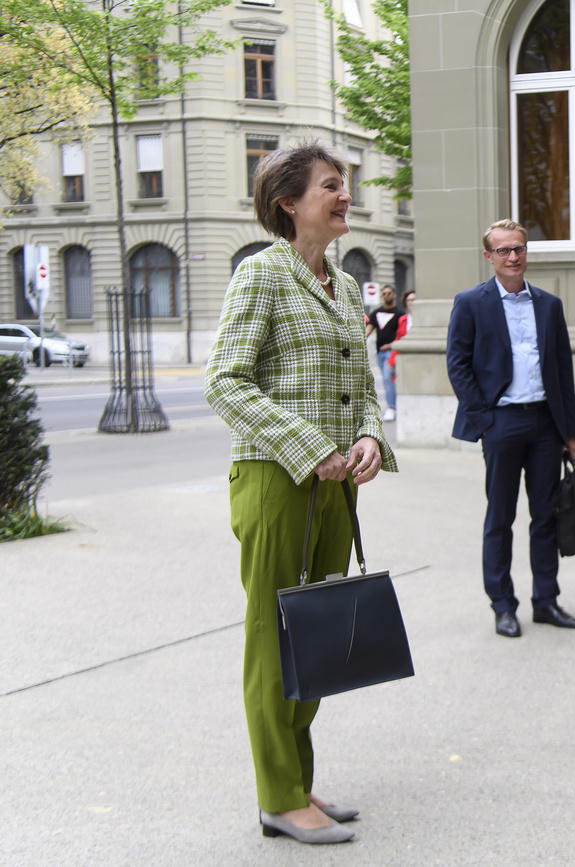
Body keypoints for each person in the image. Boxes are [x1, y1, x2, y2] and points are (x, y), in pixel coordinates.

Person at [205, 142, 397, 845]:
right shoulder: (261, 275)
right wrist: (307, 444)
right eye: (330, 185)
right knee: (271, 637)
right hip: (274, 481)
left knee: (317, 633)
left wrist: (372, 436)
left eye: (344, 184)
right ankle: (279, 794)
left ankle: (293, 779)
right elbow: (224, 382)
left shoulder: (345, 287)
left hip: (337, 485)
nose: (345, 195)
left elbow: (365, 387)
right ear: (289, 202)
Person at [446, 219, 575, 638]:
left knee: (546, 517)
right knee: (500, 517)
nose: (512, 256)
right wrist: (484, 420)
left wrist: (568, 430)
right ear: (489, 256)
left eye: (518, 248)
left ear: (526, 252)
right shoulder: (471, 303)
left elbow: (562, 369)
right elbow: (458, 365)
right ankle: (503, 605)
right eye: (503, 250)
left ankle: (546, 601)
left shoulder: (549, 304)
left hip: (545, 423)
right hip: (501, 422)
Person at [365, 285, 408, 421]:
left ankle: (391, 407)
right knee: (386, 379)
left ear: (394, 295)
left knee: (388, 377)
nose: (386, 296)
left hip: (393, 351)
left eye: (389, 293)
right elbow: (368, 330)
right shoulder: (376, 313)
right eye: (384, 294)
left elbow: (402, 334)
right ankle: (395, 405)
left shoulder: (400, 313)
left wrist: (390, 345)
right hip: (379, 353)